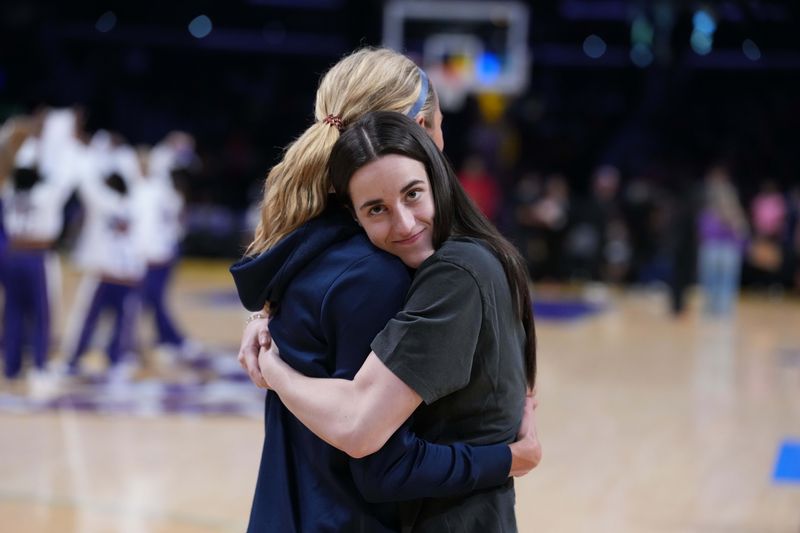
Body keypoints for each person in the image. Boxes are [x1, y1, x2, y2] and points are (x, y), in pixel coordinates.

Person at [230, 48, 540, 533]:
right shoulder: (379, 274)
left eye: (411, 195)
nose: (401, 220)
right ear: (418, 128)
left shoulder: (310, 250)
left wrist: (261, 331)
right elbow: (377, 456)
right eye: (438, 123)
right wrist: (507, 458)